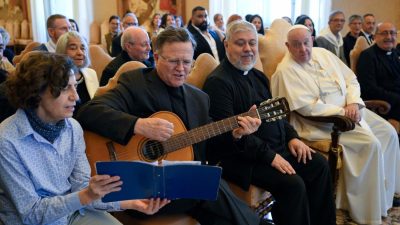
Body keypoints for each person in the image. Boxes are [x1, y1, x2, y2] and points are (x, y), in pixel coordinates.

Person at [77, 26, 270, 225]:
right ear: (157, 57)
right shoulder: (136, 83)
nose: (181, 68)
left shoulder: (199, 99)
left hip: (178, 186)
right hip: (133, 184)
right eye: (173, 61)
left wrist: (236, 134)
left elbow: (209, 152)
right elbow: (88, 111)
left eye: (187, 62)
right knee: (207, 184)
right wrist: (138, 125)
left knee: (211, 191)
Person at [0, 52, 169, 225]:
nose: (76, 96)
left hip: (72, 212)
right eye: (66, 88)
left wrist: (133, 203)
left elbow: (82, 188)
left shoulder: (72, 127)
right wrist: (86, 194)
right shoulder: (6, 140)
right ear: (36, 91)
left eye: (75, 86)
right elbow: (32, 214)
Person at [203, 20, 336, 225]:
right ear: (226, 44)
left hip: (274, 148)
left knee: (318, 165)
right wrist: (270, 156)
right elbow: (227, 135)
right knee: (293, 184)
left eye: (252, 43)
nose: (248, 49)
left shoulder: (258, 76)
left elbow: (277, 115)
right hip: (242, 159)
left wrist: (293, 138)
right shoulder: (218, 83)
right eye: (240, 43)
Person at [271, 24, 400, 225]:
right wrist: (343, 113)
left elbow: (351, 79)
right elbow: (308, 109)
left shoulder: (323, 53)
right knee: (371, 144)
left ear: (312, 40)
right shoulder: (285, 70)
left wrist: (353, 103)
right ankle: (364, 209)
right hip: (324, 125)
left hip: (352, 110)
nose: (303, 49)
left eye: (306, 43)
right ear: (288, 46)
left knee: (389, 132)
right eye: (296, 45)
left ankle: (385, 195)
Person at [357, 22, 400, 122]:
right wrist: (397, 98)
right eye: (384, 33)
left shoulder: (394, 53)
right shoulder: (367, 56)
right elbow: (369, 88)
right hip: (382, 103)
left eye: (392, 33)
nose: (389, 37)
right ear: (375, 36)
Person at [56, 31, 99, 114]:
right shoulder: (56, 77)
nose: (80, 53)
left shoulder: (91, 73)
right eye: (73, 48)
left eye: (83, 48)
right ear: (62, 52)